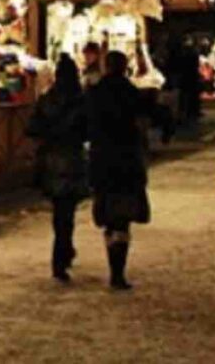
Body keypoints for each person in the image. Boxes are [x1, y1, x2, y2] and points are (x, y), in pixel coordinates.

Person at [85, 51, 150, 290]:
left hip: (102, 161)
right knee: (122, 219)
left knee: (109, 218)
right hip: (127, 162)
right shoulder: (132, 93)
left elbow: (85, 125)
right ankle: (117, 271)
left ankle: (114, 264)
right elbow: (147, 119)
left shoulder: (95, 94)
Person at [26, 54, 90, 283]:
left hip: (51, 159)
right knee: (67, 210)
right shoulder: (80, 102)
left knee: (59, 209)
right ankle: (62, 252)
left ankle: (62, 251)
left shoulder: (47, 100)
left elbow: (31, 128)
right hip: (71, 158)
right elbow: (88, 130)